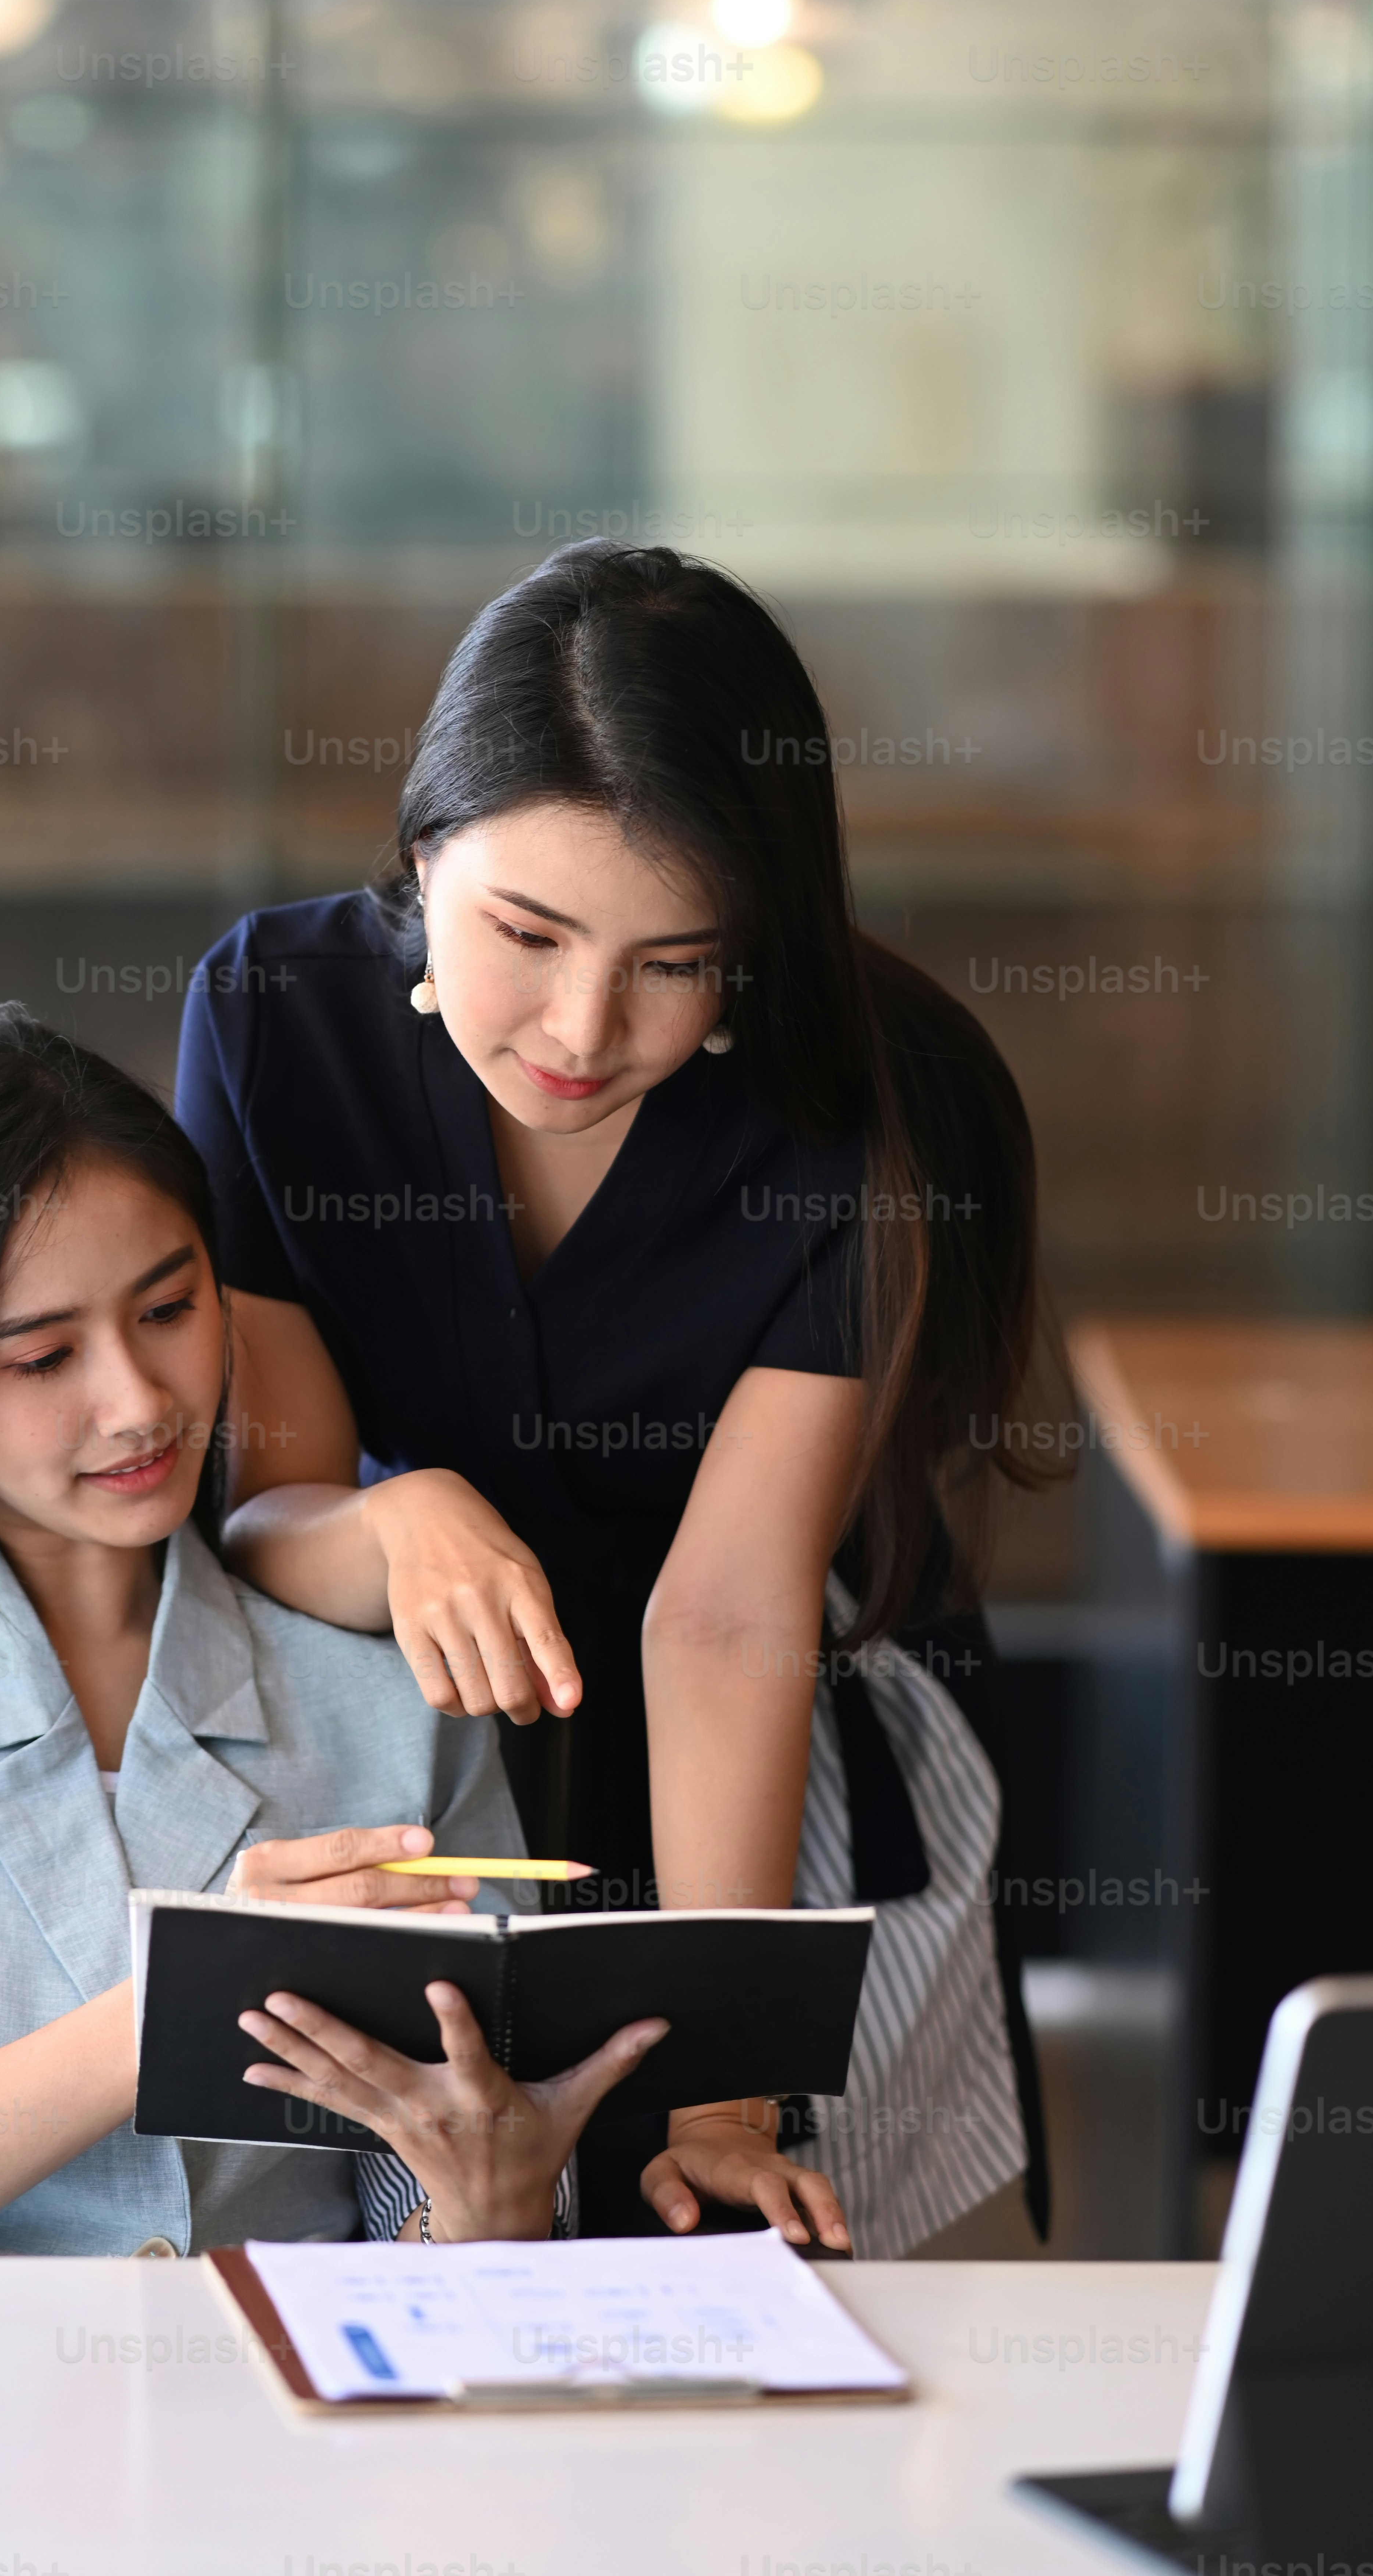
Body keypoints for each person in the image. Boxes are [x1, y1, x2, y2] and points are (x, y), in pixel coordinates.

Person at [178, 541, 1062, 2258]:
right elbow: (263, 1518)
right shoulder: (277, 1018)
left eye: (679, 962)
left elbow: (728, 1615)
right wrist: (390, 1512)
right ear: (425, 851)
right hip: (427, 1712)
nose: (586, 1027)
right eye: (525, 933)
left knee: (802, 2291)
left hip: (782, 1724)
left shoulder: (859, 1108)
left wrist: (724, 2091)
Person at [0, 1009, 665, 2258]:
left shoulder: (393, 1701)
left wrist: (491, 2196)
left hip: (291, 2426)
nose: (141, 1404)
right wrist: (191, 1989)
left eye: (169, 1311)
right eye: (46, 1357)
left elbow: (439, 2253)